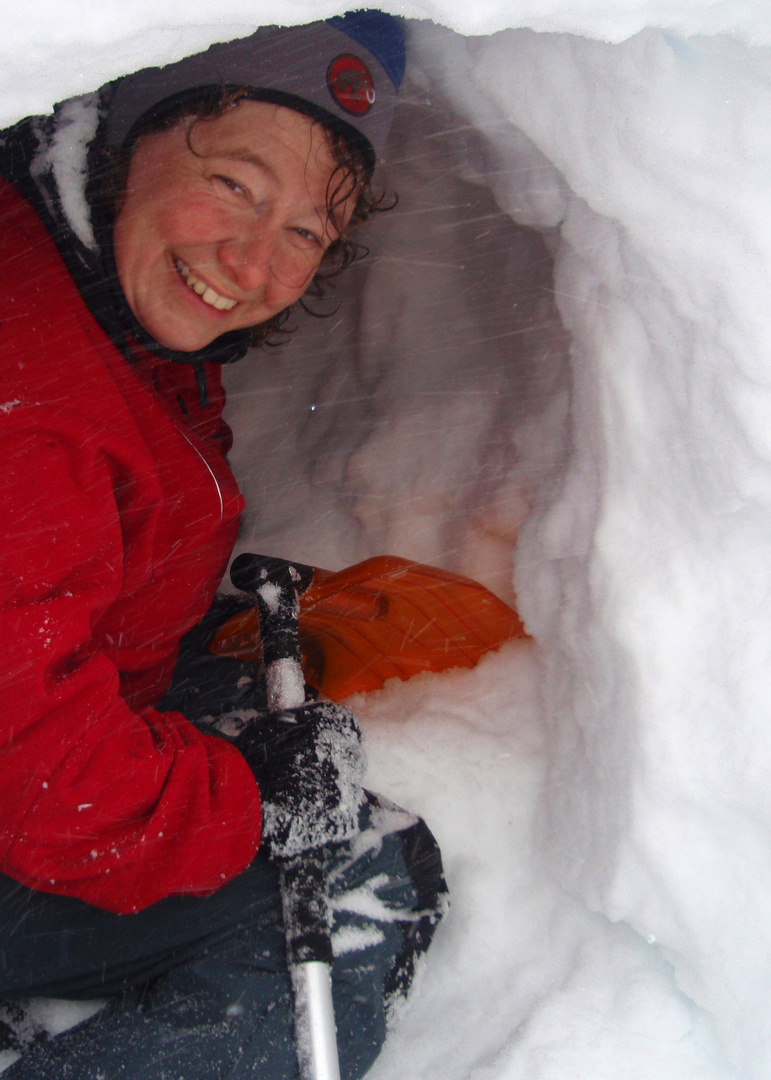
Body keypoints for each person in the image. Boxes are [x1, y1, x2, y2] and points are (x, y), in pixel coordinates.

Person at [0, 14, 447, 1079]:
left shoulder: (89, 293)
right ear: (131, 128)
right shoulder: (33, 389)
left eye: (308, 234)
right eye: (237, 183)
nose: (253, 263)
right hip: (27, 802)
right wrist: (254, 807)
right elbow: (42, 783)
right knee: (360, 880)